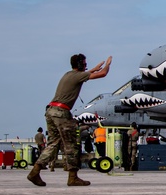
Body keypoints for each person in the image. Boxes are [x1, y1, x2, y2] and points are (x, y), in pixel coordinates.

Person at [27, 54, 112, 187]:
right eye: (84, 64)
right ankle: (73, 177)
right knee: (71, 145)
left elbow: (85, 75)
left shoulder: (69, 74)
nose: (85, 66)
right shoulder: (78, 76)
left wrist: (93, 69)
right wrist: (108, 64)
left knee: (53, 144)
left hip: (51, 111)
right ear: (79, 65)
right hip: (62, 113)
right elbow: (103, 74)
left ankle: (35, 171)